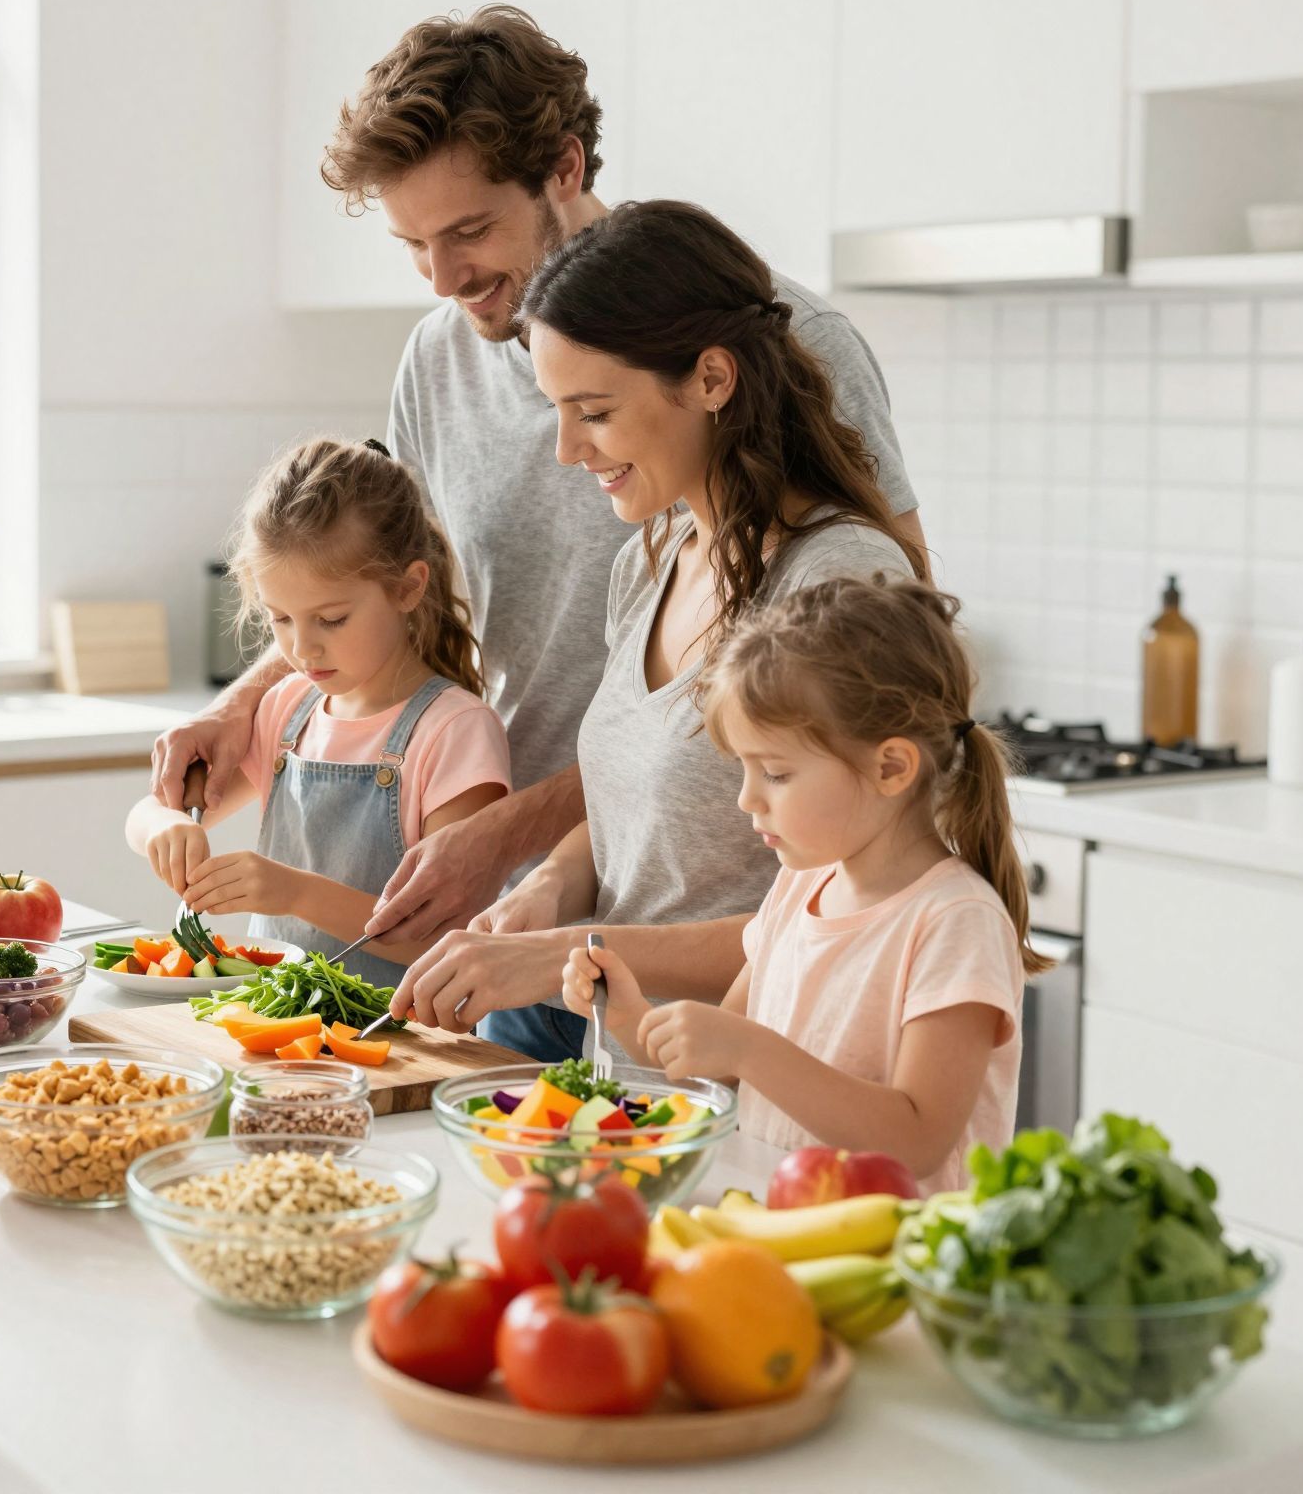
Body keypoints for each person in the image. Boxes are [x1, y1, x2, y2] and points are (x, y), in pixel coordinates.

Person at [149, 5, 925, 951]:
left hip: (728, 928)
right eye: (411, 245)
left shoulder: (778, 343)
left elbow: (892, 656)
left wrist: (508, 831)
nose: (442, 278)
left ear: (564, 168)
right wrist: (246, 706)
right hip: (522, 905)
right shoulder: (439, 363)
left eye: (469, 229)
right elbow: (381, 585)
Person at [393, 199, 926, 1053]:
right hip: (634, 1087)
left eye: (595, 412)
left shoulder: (837, 585)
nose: (569, 449)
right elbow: (631, 812)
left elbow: (852, 915)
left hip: (767, 1097)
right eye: (557, 409)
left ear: (712, 380)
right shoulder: (653, 558)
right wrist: (551, 890)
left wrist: (566, 953)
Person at [561, 578, 1045, 1191]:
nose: (747, 799)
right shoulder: (797, 890)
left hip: (891, 1265)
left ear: (891, 767)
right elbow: (713, 1078)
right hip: (782, 1233)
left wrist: (748, 1049)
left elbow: (918, 1139)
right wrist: (630, 1014)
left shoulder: (955, 921)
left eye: (777, 773)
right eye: (744, 769)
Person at [124, 438, 510, 987]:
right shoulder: (287, 708)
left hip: (402, 1044)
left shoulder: (455, 732)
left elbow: (447, 936)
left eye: (331, 619)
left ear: (408, 588)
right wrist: (164, 826)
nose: (302, 650)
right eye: (281, 619)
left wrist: (297, 894)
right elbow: (143, 814)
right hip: (281, 1035)